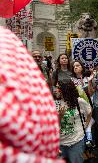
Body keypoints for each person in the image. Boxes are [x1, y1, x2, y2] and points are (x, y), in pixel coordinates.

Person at [0, 27, 63, 162]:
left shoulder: (45, 69)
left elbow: (50, 85)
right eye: (34, 56)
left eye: (39, 57)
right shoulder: (17, 71)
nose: (37, 58)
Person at [57, 79, 92, 163]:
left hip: (76, 141)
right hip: (60, 143)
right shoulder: (55, 102)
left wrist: (85, 125)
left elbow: (89, 112)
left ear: (65, 89)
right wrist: (60, 116)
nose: (55, 89)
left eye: (58, 87)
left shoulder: (79, 101)